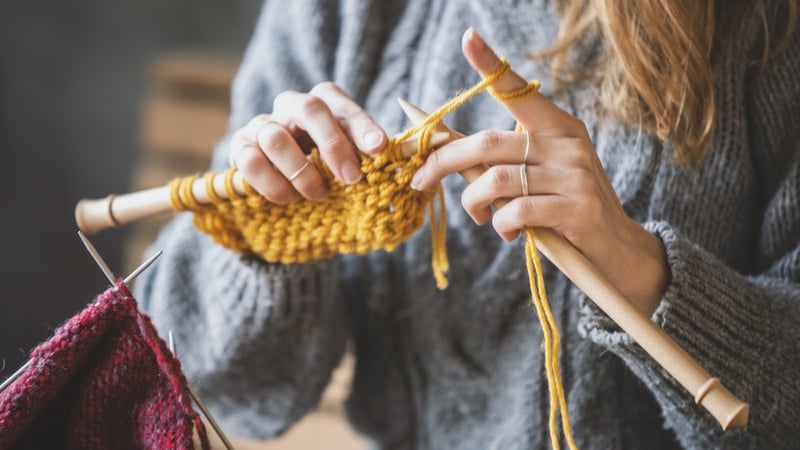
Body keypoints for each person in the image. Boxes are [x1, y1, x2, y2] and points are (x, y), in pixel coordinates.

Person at [135, 0, 800, 448]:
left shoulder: (769, 31)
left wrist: (643, 271)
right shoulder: (345, 12)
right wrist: (268, 234)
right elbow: (211, 384)